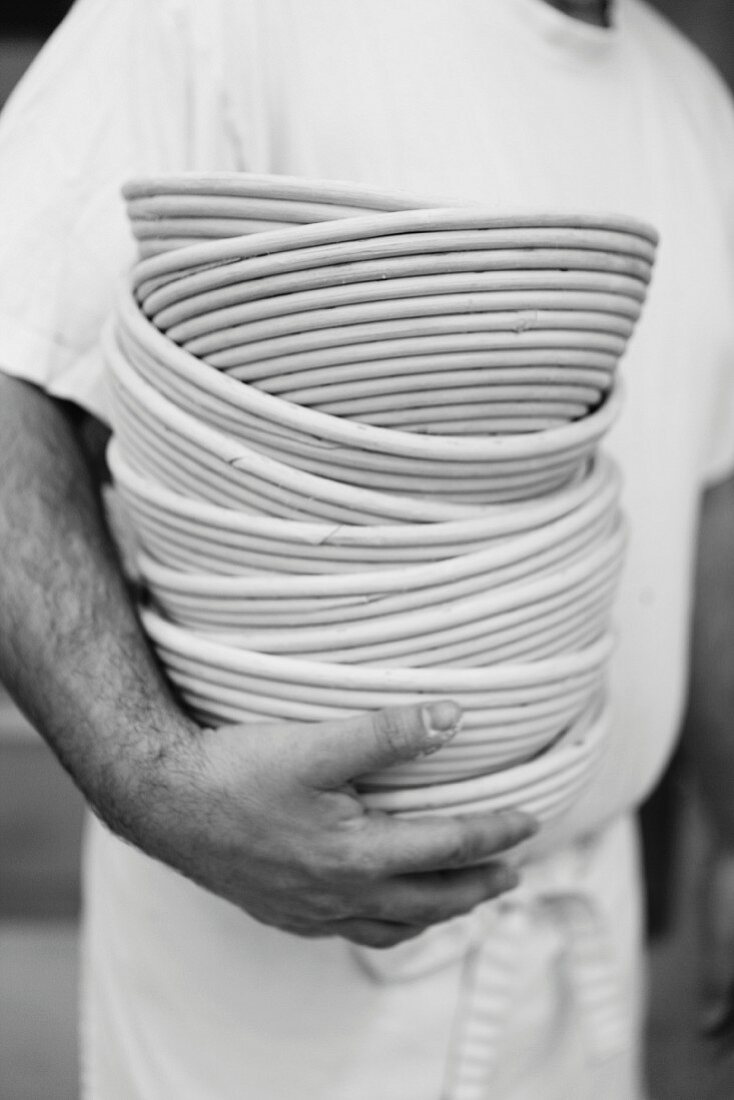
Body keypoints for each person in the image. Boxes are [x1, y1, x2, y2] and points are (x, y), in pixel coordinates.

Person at [1, 0, 734, 1096]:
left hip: (573, 938)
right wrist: (155, 779)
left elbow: (707, 504)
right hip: (266, 992)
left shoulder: (690, 104)